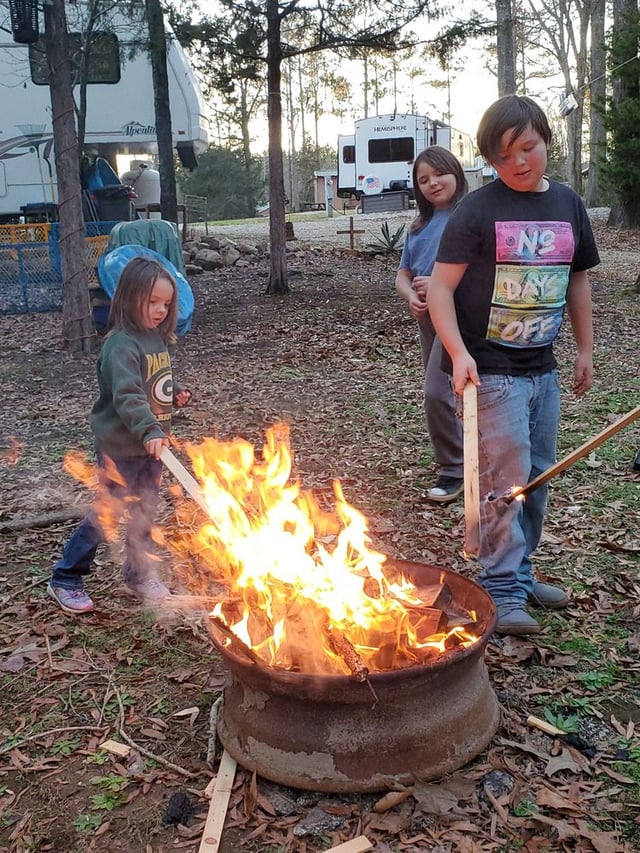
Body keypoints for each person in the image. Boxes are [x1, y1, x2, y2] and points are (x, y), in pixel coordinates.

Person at [427, 95, 600, 636]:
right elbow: (439, 289)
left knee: (537, 478)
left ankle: (520, 578)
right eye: (504, 157)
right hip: (491, 371)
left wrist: (585, 348)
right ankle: (500, 590)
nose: (520, 163)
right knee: (504, 482)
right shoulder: (476, 211)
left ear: (546, 139)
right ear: (490, 162)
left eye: (527, 148)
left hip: (542, 370)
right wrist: (458, 355)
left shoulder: (568, 204)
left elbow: (577, 279)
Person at [48, 257, 192, 614]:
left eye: (166, 303)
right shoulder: (121, 345)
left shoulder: (154, 339)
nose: (160, 310)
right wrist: (149, 428)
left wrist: (173, 394)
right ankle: (66, 577)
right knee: (107, 514)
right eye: (152, 302)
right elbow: (127, 396)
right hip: (121, 448)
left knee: (145, 512)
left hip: (151, 448)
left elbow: (149, 385)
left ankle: (138, 574)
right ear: (129, 298)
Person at [395, 146, 467, 503]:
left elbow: (482, 267)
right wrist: (411, 294)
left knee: (436, 392)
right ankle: (467, 458)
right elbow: (402, 274)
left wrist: (438, 284)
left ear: (456, 172)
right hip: (427, 319)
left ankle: (454, 469)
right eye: (423, 179)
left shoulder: (469, 215)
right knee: (447, 393)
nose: (432, 183)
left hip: (459, 314)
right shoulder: (419, 226)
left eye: (439, 174)